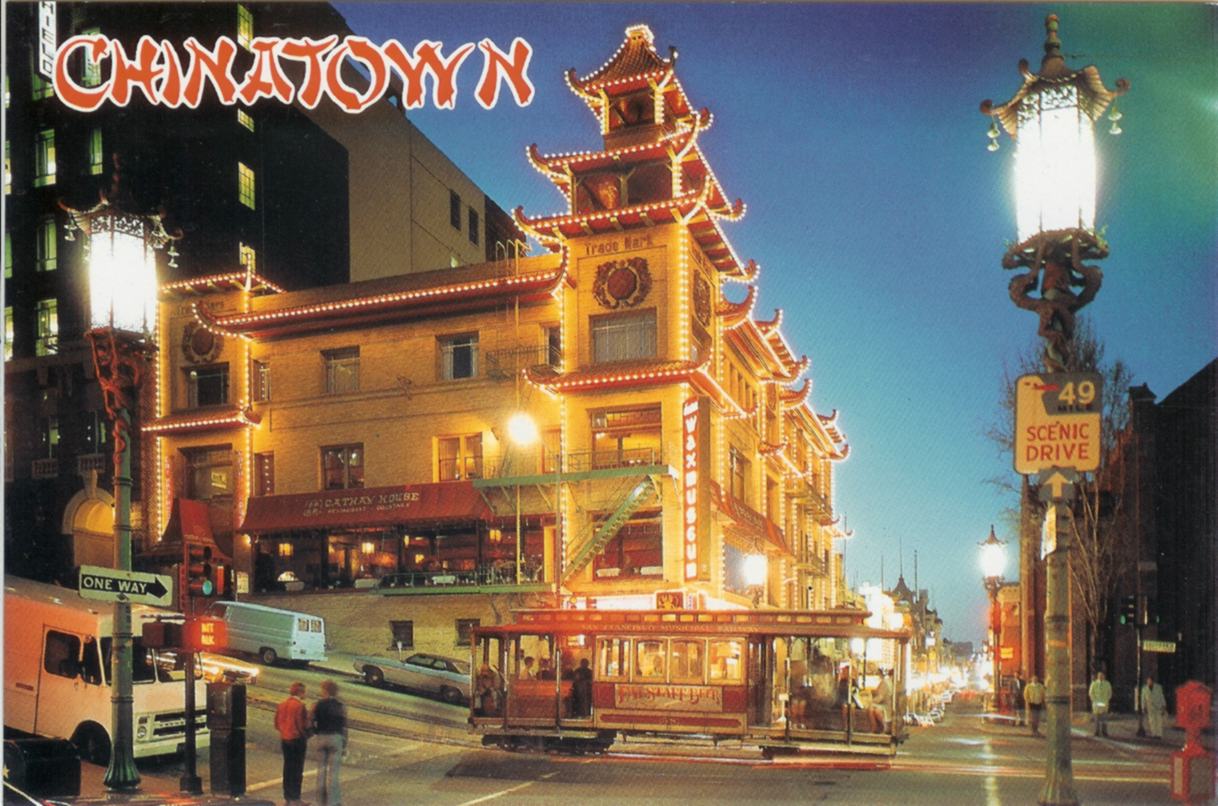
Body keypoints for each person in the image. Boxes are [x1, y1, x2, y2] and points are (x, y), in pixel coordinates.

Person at [311, 680, 347, 806]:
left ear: (325, 690)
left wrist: (316, 731)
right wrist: (344, 743)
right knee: (334, 773)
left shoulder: (318, 704)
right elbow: (344, 726)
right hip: (336, 737)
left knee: (321, 771)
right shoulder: (340, 705)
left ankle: (320, 801)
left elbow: (311, 720)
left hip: (322, 736)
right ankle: (333, 801)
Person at [275, 682, 310, 806]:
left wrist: (284, 731)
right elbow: (301, 724)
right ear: (300, 692)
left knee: (287, 768)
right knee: (297, 770)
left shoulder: (282, 705)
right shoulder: (300, 706)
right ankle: (296, 798)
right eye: (304, 691)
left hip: (285, 739)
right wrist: (305, 735)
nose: (305, 694)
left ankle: (288, 797)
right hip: (297, 740)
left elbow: (277, 724)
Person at [1088, 671, 1113, 737]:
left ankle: (1104, 732)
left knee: (1104, 719)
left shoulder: (1107, 684)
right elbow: (1091, 693)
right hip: (1096, 704)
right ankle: (1096, 732)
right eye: (1099, 675)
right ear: (1097, 676)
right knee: (1097, 719)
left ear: (1104, 676)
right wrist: (1094, 701)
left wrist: (1107, 700)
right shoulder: (1094, 684)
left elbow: (1110, 693)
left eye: (1102, 675)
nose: (1101, 677)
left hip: (1104, 703)